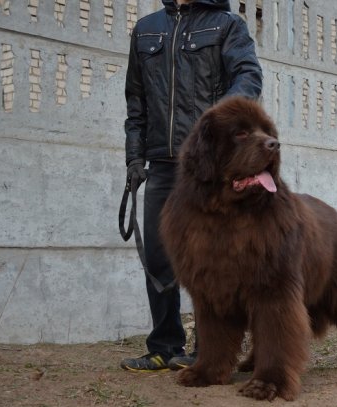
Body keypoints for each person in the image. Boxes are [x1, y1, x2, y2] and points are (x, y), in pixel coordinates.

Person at [120, 0, 262, 372]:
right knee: (158, 257)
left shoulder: (227, 25)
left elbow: (248, 78)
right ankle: (164, 346)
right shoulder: (146, 29)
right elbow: (136, 102)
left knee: (214, 261)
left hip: (207, 167)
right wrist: (134, 159)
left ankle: (210, 351)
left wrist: (214, 127)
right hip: (162, 166)